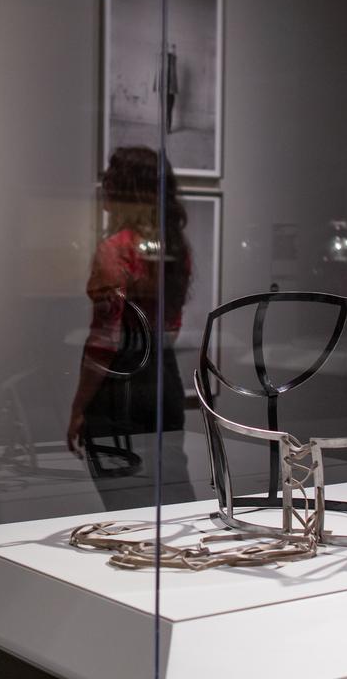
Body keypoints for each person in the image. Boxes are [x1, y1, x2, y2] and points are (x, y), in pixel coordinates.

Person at [67, 146, 195, 509]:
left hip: (120, 388)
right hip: (164, 384)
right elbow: (172, 325)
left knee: (125, 508)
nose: (104, 182)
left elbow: (105, 339)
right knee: (172, 502)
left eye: (112, 175)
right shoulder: (174, 248)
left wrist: (79, 407)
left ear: (128, 188)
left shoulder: (115, 249)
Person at [153, 44, 179, 133]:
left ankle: (168, 128)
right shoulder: (162, 63)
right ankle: (166, 127)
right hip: (164, 90)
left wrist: (173, 49)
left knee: (168, 110)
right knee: (166, 110)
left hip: (169, 91)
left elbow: (174, 57)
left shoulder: (171, 62)